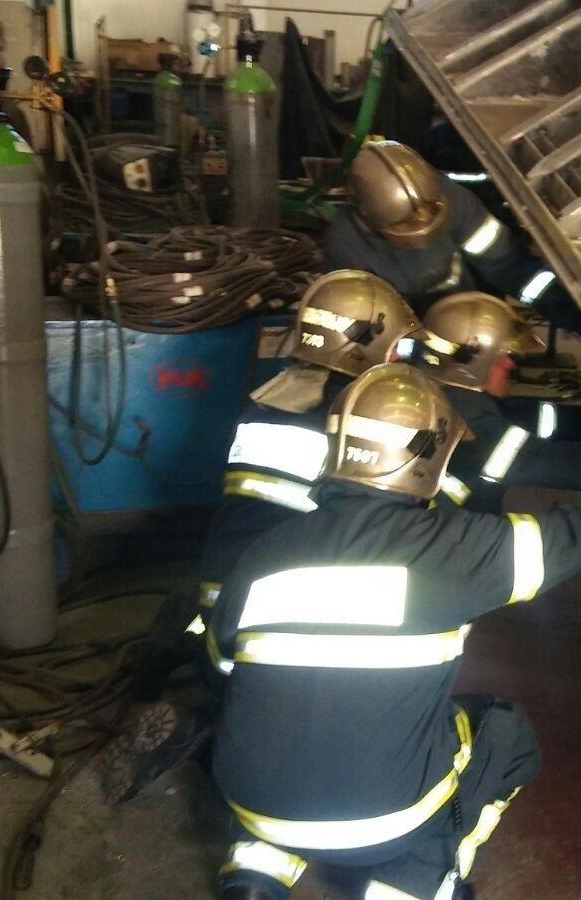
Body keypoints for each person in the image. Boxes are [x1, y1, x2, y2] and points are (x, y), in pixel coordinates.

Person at [209, 362, 581, 900]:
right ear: (431, 456)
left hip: (249, 798)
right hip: (381, 820)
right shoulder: (457, 550)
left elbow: (226, 666)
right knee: (505, 734)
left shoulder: (264, 551)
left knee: (280, 731)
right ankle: (411, 886)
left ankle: (253, 875)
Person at [100, 269, 424, 803]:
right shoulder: (355, 421)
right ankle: (199, 731)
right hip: (268, 624)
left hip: (219, 599)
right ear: (369, 346)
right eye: (395, 346)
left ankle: (179, 641)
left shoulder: (273, 395)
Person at [414, 291, 581, 511]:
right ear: (471, 366)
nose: (510, 365)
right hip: (454, 534)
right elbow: (542, 462)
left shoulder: (440, 390)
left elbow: (517, 416)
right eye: (502, 358)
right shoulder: (461, 420)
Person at [322, 140, 561, 311]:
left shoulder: (456, 202)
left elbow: (504, 265)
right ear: (367, 214)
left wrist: (561, 303)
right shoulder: (344, 244)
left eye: (431, 212)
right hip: (402, 325)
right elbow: (362, 317)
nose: (421, 227)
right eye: (403, 224)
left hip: (463, 311)